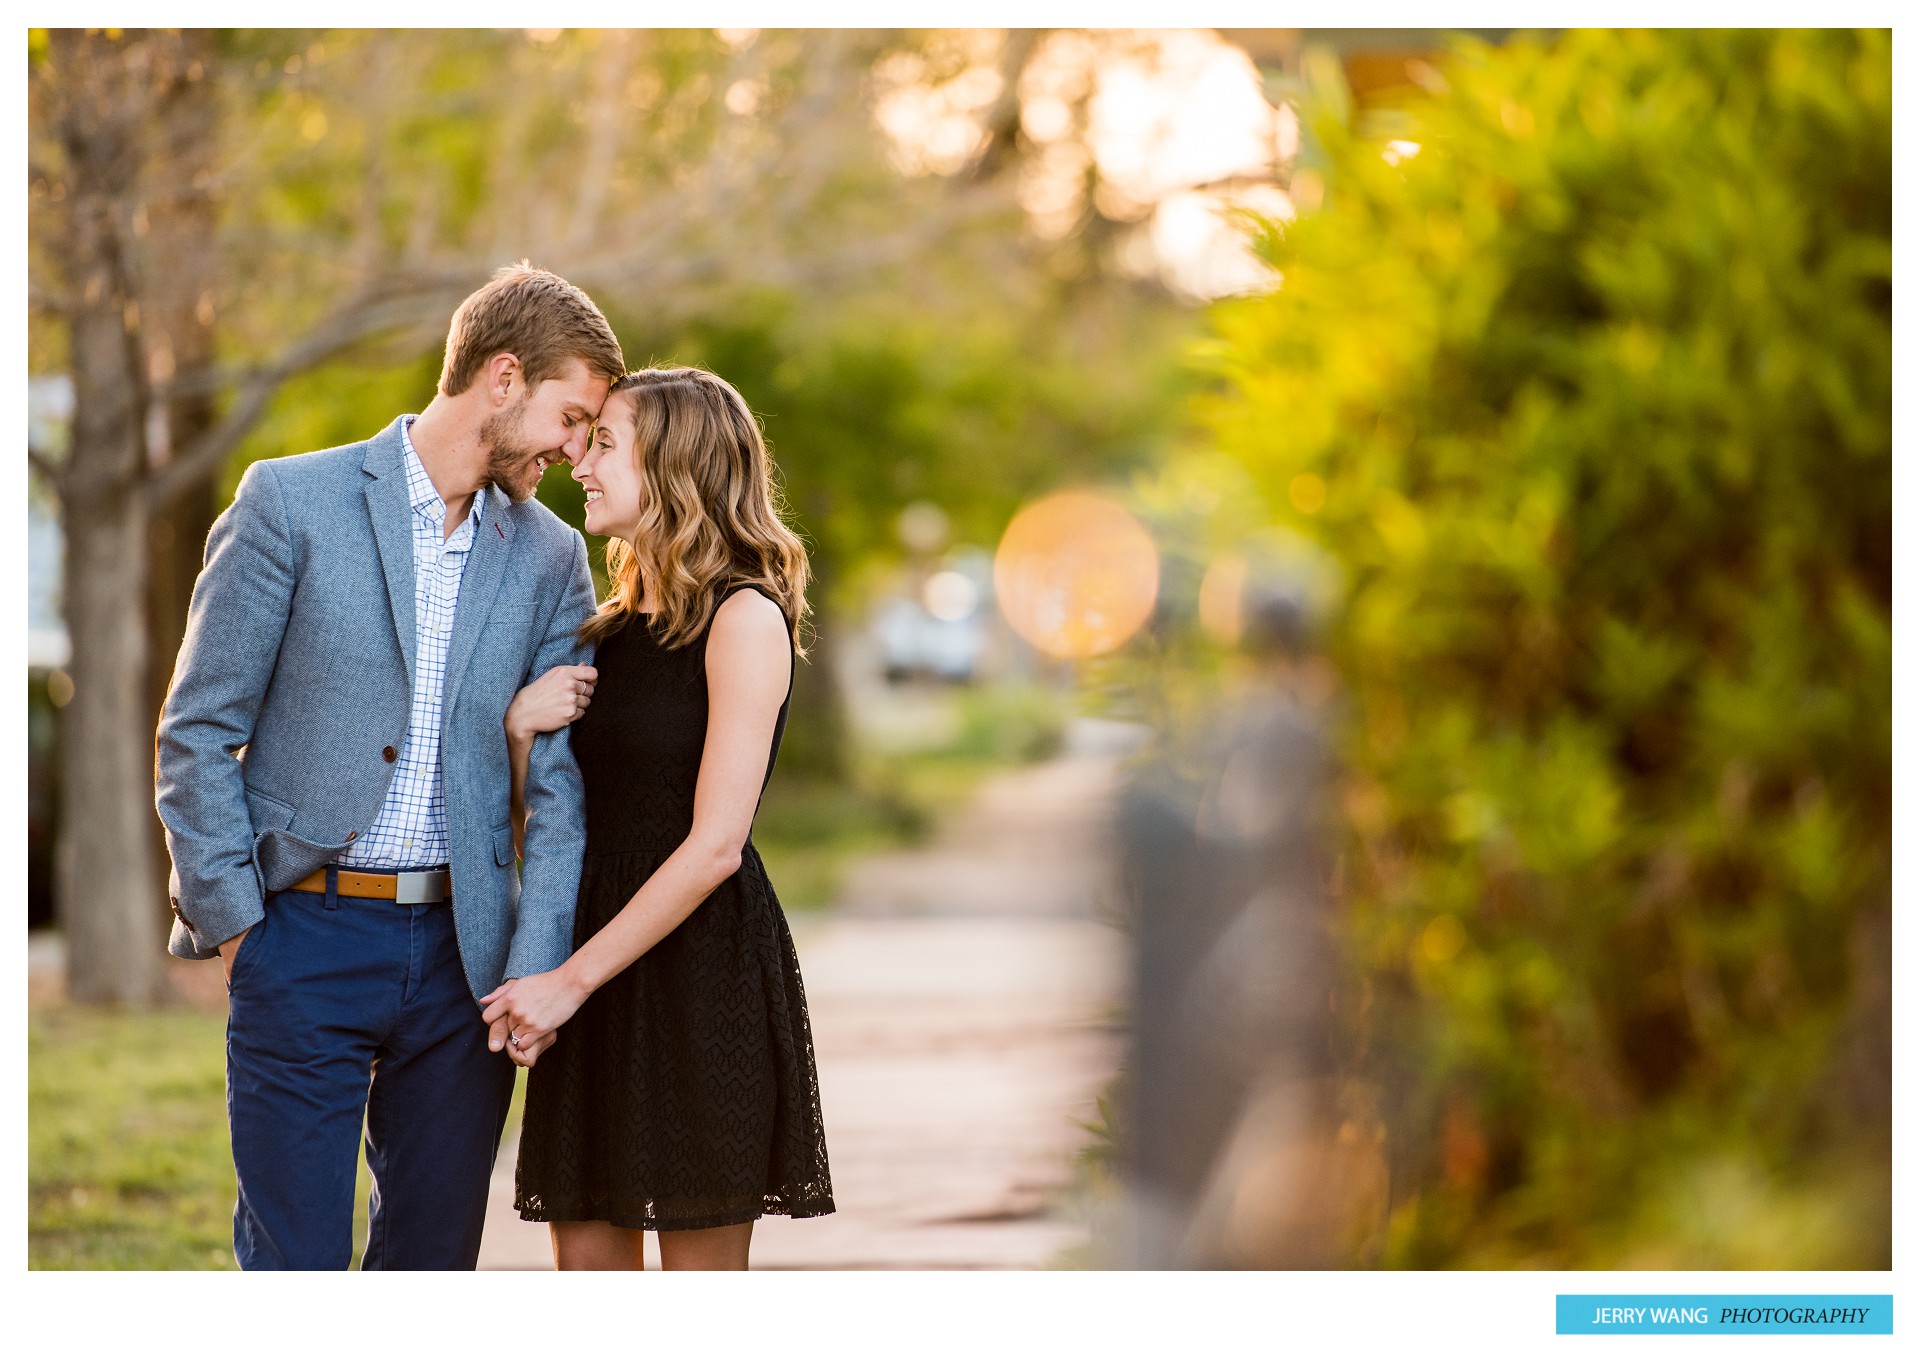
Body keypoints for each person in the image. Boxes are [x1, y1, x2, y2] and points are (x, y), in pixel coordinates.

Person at [154, 264, 625, 1270]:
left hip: (465, 962)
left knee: (430, 1269)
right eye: (571, 415)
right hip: (301, 937)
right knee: (297, 1269)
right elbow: (196, 730)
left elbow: (559, 789)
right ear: (502, 379)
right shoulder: (290, 502)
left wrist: (533, 964)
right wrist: (240, 931)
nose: (576, 449)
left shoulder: (550, 556)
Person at [484, 365, 835, 1270]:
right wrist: (520, 733)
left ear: (676, 467)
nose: (579, 463)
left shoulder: (744, 617)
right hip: (591, 967)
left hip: (696, 977)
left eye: (604, 442)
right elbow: (544, 827)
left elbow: (716, 845)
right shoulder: (598, 633)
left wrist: (569, 981)